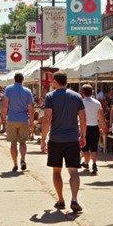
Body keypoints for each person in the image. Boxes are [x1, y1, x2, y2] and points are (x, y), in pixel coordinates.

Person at [41, 72, 86, 212]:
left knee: (56, 171)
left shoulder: (50, 96)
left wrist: (43, 138)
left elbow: (47, 119)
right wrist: (83, 135)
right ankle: (74, 199)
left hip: (56, 138)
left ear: (55, 81)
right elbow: (83, 118)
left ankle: (61, 199)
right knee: (73, 170)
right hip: (72, 138)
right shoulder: (77, 96)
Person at [2, 72, 35, 172]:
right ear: (23, 79)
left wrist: (3, 117)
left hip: (12, 119)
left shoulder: (9, 89)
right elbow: (31, 108)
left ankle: (15, 164)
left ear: (14, 79)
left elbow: (5, 104)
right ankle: (23, 159)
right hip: (23, 119)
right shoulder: (27, 91)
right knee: (22, 142)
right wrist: (32, 123)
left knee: (13, 143)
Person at [81, 84, 105, 174]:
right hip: (94, 127)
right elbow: (101, 116)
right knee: (94, 147)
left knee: (85, 148)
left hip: (84, 127)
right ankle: (94, 163)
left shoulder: (81, 102)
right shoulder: (97, 103)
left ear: (83, 93)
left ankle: (86, 163)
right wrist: (102, 125)